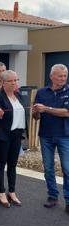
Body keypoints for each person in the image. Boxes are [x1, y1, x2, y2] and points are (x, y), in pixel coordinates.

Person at [32, 64, 69, 214]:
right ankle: (53, 196)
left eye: (65, 76)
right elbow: (36, 117)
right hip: (46, 135)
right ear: (51, 76)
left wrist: (46, 109)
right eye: (60, 76)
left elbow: (67, 112)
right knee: (48, 168)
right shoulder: (41, 92)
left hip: (65, 135)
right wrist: (36, 112)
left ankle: (68, 199)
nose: (63, 79)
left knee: (67, 168)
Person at [0, 70, 25, 208]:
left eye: (15, 80)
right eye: (10, 81)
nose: (14, 83)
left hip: (17, 134)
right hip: (4, 135)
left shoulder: (18, 95)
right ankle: (1, 192)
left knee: (13, 164)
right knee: (1, 163)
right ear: (3, 83)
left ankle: (12, 191)